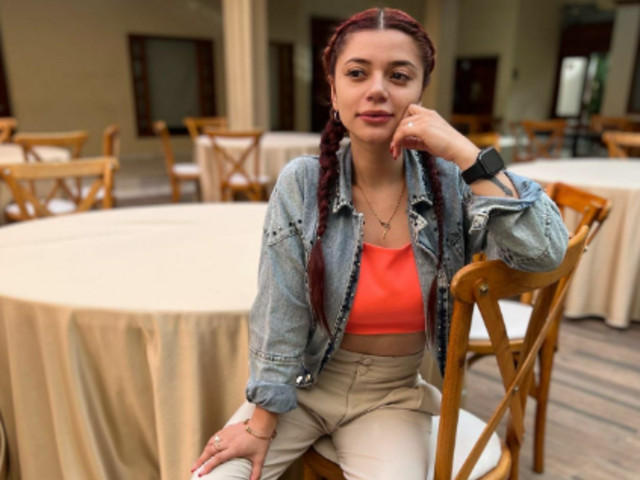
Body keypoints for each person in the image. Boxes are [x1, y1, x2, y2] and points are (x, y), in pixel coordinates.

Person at [190, 7, 568, 480]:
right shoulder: (302, 183)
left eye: (399, 75)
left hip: (391, 398)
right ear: (333, 91)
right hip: (302, 386)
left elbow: (545, 253)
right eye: (356, 73)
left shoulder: (450, 184)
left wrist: (465, 153)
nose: (377, 89)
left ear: (420, 93)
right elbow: (280, 308)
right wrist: (262, 421)